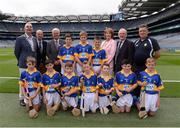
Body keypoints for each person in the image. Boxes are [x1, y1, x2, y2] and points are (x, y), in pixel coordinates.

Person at [133, 24, 161, 107]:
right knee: (137, 84)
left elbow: (158, 53)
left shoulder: (152, 41)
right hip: (136, 67)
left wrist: (151, 62)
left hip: (146, 68)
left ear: (147, 31)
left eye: (144, 31)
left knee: (145, 84)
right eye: (140, 31)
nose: (142, 32)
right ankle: (136, 101)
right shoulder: (136, 42)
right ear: (138, 32)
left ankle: (145, 102)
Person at [14, 22, 37, 106]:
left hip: (33, 65)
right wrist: (21, 60)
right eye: (27, 27)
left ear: (32, 29)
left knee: (31, 81)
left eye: (30, 27)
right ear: (24, 29)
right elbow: (16, 52)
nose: (29, 28)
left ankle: (30, 97)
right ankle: (21, 98)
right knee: (23, 82)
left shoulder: (34, 39)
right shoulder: (19, 39)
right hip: (23, 64)